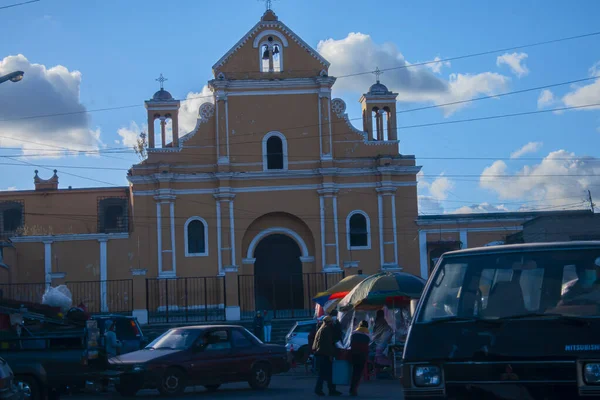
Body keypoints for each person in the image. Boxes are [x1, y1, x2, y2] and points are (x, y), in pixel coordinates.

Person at [312, 316, 342, 397]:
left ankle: (331, 389)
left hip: (320, 354)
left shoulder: (321, 329)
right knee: (324, 374)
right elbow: (328, 345)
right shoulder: (326, 330)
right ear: (330, 322)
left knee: (327, 374)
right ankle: (319, 389)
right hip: (324, 354)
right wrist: (330, 355)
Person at [349, 321, 370, 396]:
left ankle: (352, 388)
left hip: (353, 355)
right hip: (362, 356)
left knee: (354, 372)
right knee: (358, 373)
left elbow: (349, 343)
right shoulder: (367, 335)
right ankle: (353, 389)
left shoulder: (353, 333)